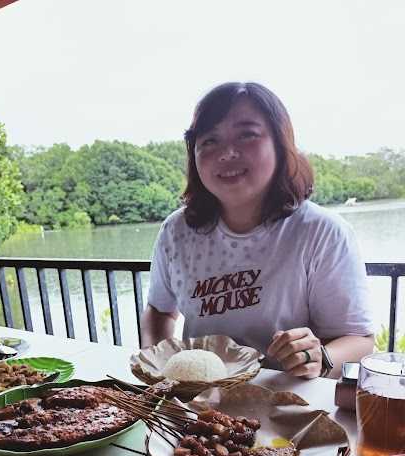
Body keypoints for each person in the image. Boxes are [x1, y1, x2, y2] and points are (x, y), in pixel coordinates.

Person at [141, 82, 374, 379]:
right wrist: (158, 366)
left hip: (289, 407)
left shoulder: (321, 232)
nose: (227, 153)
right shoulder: (177, 231)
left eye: (247, 134)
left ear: (280, 143)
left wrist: (320, 357)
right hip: (198, 407)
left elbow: (360, 341)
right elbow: (159, 311)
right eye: (210, 140)